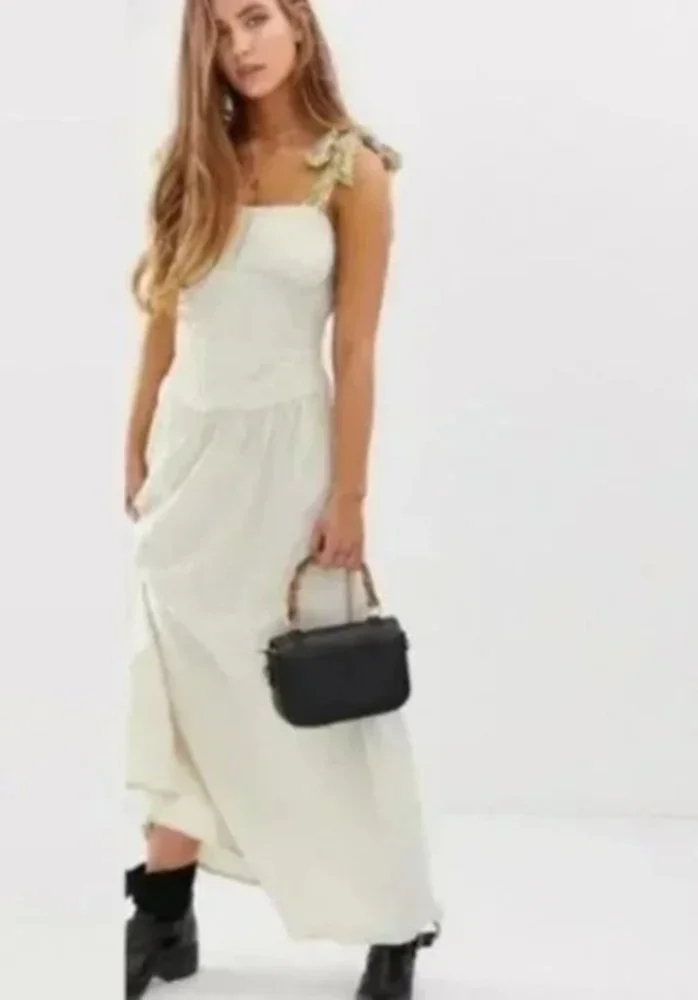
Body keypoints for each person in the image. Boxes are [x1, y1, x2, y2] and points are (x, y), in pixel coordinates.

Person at [122, 2, 443, 997]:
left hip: (289, 463)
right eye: (219, 31)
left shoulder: (355, 170)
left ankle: (394, 915)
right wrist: (134, 442)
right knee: (178, 683)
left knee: (323, 702)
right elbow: (163, 320)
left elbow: (356, 349)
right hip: (190, 464)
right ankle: (162, 913)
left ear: (298, 24)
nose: (241, 46)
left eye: (255, 18)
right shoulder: (192, 163)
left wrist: (349, 494)